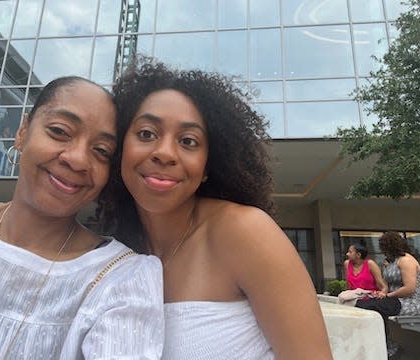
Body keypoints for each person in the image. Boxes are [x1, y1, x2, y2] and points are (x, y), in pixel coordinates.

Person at [103, 58, 333, 359]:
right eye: (147, 134)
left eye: (188, 141)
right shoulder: (116, 253)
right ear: (121, 147)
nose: (164, 153)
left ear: (208, 166)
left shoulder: (245, 231)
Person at [0, 76, 164, 359]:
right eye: (60, 131)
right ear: (22, 131)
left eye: (101, 151)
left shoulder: (121, 281)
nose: (77, 159)